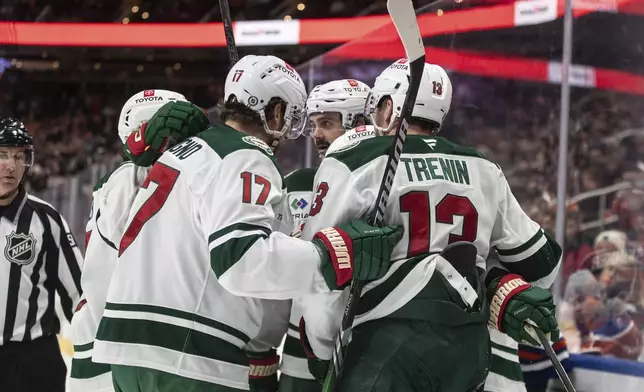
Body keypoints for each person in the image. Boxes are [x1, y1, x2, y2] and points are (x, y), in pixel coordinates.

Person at [92, 54, 402, 392]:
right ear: (275, 111)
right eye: (291, 118)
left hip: (126, 352)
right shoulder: (247, 155)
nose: (288, 133)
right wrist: (330, 256)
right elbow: (241, 260)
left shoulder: (184, 151)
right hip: (189, 356)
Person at [297, 59, 563, 392]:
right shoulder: (482, 166)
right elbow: (543, 264)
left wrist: (322, 347)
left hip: (385, 345)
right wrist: (494, 280)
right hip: (468, 349)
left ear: (389, 107)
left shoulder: (355, 160)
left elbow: (318, 275)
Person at [69, 89, 192, 392]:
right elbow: (101, 274)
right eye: (167, 135)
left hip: (115, 335)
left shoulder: (135, 179)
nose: (174, 143)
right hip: (113, 339)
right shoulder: (129, 180)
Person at [278, 79, 371, 392]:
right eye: (314, 124)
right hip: (299, 349)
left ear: (359, 123)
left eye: (327, 124)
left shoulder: (388, 182)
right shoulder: (297, 183)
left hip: (370, 347)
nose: (316, 135)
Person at [0, 118, 83, 392]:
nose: (10, 166)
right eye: (2, 154)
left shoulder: (47, 219)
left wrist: (93, 348)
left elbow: (78, 293)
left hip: (33, 362)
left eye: (19, 156)